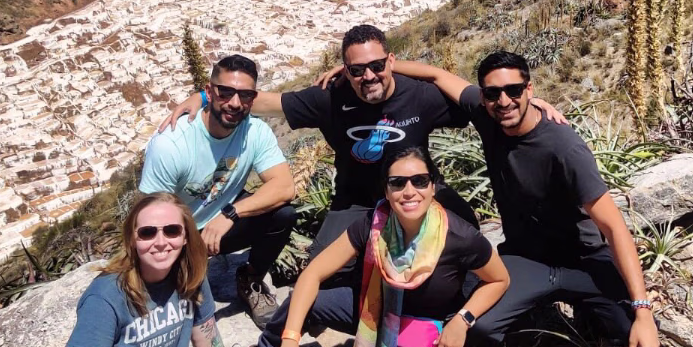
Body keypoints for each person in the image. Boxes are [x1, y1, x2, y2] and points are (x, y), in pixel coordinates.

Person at [160, 26, 562, 271]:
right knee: (323, 267)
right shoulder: (329, 98)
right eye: (356, 69)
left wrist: (531, 104)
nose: (368, 76)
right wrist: (203, 96)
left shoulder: (421, 97)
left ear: (391, 61)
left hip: (416, 192)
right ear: (345, 70)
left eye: (376, 66)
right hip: (355, 200)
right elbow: (262, 100)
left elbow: (486, 101)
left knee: (467, 236)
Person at [379, 51, 662, 347]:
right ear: (484, 97)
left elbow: (614, 226)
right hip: (526, 259)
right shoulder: (488, 117)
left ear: (529, 90)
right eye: (493, 93)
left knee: (629, 330)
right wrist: (372, 67)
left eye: (514, 90)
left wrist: (643, 310)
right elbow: (435, 75)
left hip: (584, 260)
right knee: (481, 327)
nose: (504, 101)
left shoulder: (563, 148)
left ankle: (590, 312)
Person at [260, 147, 509, 347]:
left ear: (433, 186)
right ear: (387, 191)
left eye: (420, 181)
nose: (409, 192)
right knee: (302, 303)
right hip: (375, 310)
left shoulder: (459, 237)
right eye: (398, 183)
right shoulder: (374, 225)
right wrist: (290, 339)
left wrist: (463, 319)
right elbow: (313, 273)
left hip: (430, 332)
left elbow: (499, 280)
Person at [140, 54, 297, 329]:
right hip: (178, 235)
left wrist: (230, 214)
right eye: (225, 93)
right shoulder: (171, 143)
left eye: (245, 95)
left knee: (282, 215)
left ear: (253, 98)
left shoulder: (255, 131)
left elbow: (284, 187)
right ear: (209, 92)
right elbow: (150, 217)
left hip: (221, 225)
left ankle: (250, 279)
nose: (235, 103)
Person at [67, 192, 228, 347]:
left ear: (185, 236)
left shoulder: (190, 275)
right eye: (147, 233)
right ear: (132, 240)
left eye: (172, 230)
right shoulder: (104, 299)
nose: (160, 242)